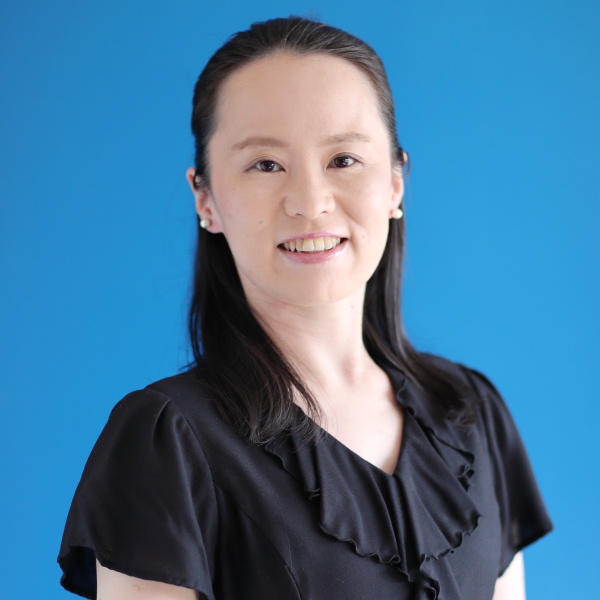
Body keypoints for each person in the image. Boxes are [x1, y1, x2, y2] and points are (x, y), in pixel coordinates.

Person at [57, 16, 553, 600]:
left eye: (344, 159)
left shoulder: (472, 411)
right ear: (205, 199)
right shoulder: (167, 443)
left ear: (395, 183)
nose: (310, 202)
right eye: (265, 165)